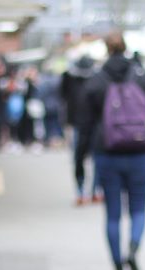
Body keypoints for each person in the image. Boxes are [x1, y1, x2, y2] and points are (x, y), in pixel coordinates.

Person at [77, 32, 145, 270]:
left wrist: (79, 163)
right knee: (139, 209)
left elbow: (83, 126)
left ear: (106, 50)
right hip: (140, 153)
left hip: (107, 155)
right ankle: (134, 248)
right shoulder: (143, 77)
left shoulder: (95, 81)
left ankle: (118, 269)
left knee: (113, 215)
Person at [62, 56, 102, 204]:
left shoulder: (96, 79)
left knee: (92, 158)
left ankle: (94, 189)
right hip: (80, 124)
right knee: (82, 158)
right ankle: (85, 190)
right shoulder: (70, 78)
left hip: (89, 124)